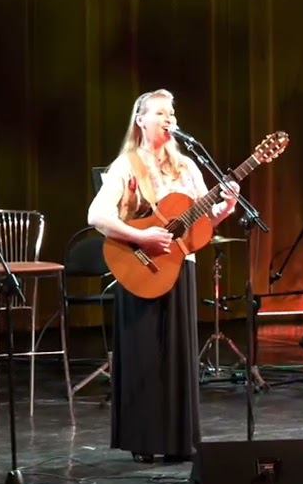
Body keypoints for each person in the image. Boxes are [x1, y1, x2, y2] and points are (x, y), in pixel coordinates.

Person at [88, 89, 238, 464]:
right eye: (159, 113)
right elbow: (97, 216)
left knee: (177, 358)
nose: (168, 118)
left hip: (180, 266)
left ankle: (178, 442)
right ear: (140, 120)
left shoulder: (187, 167)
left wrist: (227, 206)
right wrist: (140, 236)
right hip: (138, 267)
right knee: (143, 357)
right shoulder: (126, 165)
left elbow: (205, 220)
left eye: (171, 113)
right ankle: (142, 440)